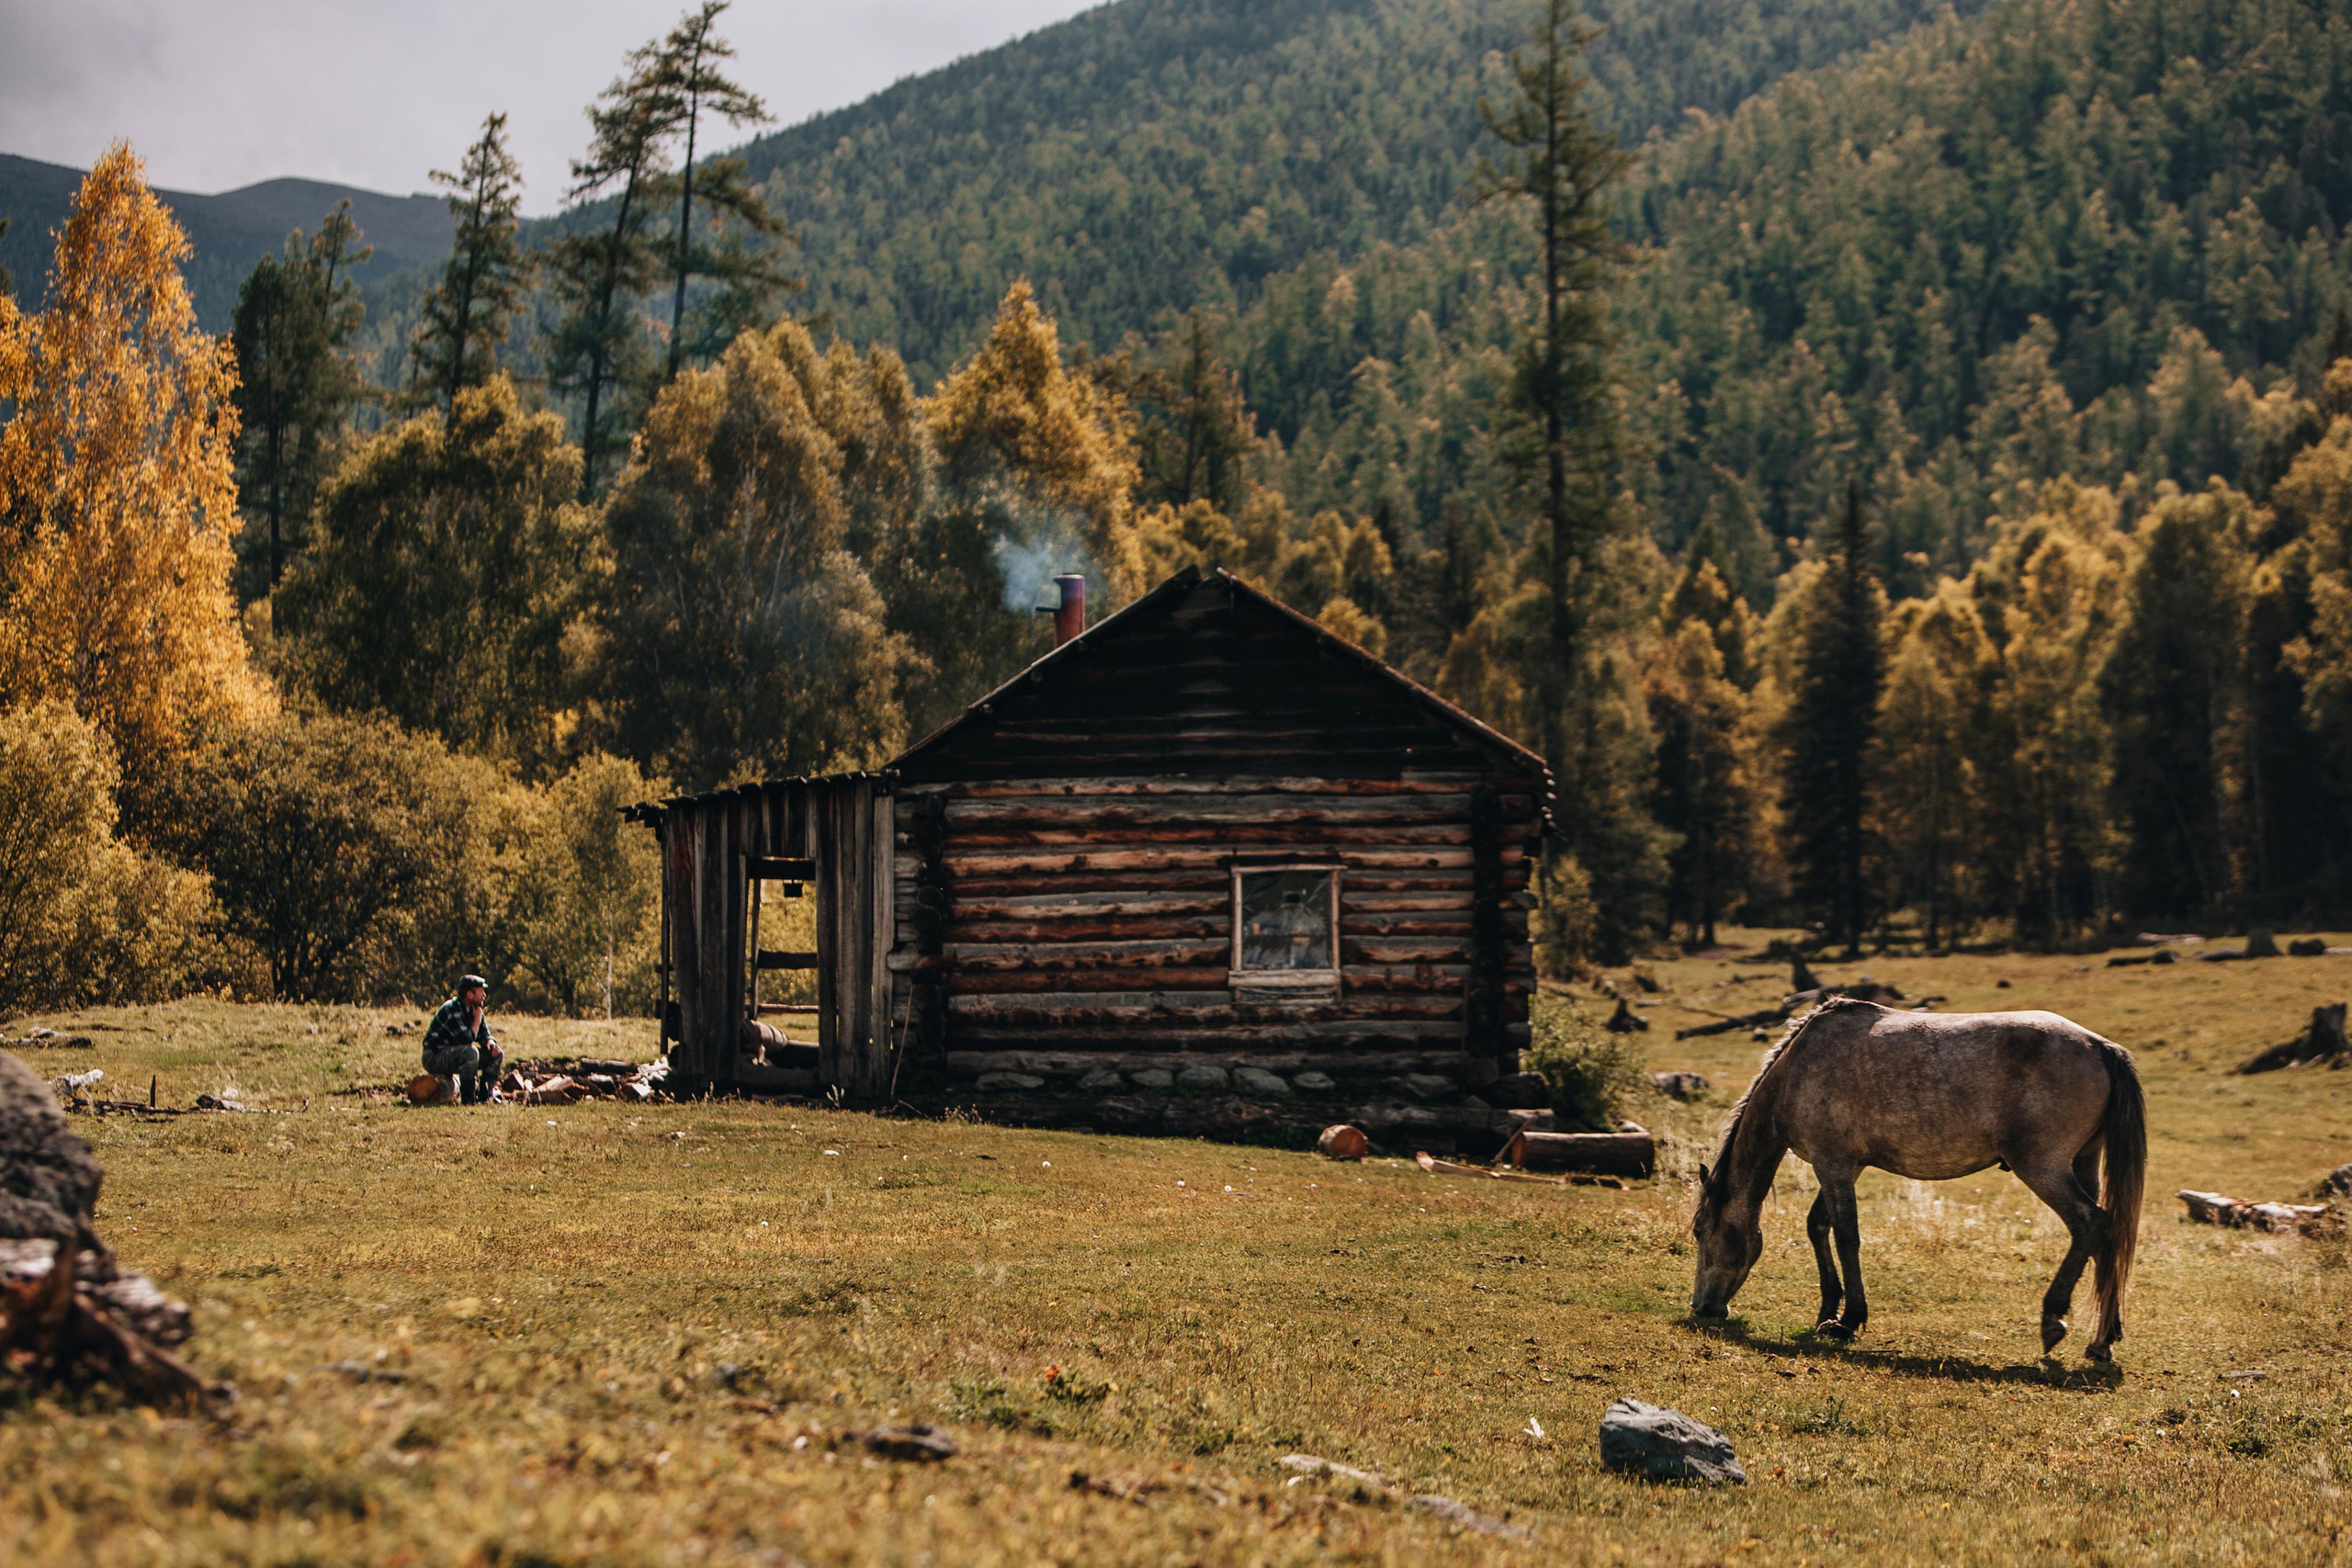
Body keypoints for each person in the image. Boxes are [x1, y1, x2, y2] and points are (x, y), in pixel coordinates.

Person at [421, 974, 503, 1105]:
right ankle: (468, 1099)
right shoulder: (452, 1009)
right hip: (434, 1056)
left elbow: (484, 1034)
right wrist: (477, 1020)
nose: (484, 995)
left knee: (496, 1053)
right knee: (471, 1053)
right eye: (481, 992)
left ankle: (485, 1096)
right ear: (470, 994)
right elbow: (465, 1040)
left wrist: (490, 1042)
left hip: (455, 1053)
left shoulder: (473, 1009)